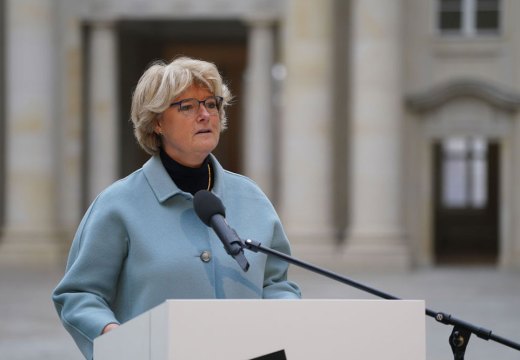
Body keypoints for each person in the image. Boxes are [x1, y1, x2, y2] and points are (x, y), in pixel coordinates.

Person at [52, 56, 301, 359]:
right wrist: (114, 336)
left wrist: (282, 318)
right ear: (156, 122)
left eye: (211, 104)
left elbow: (276, 283)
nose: (205, 115)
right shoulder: (117, 204)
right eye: (187, 106)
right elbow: (79, 295)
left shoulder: (252, 199)